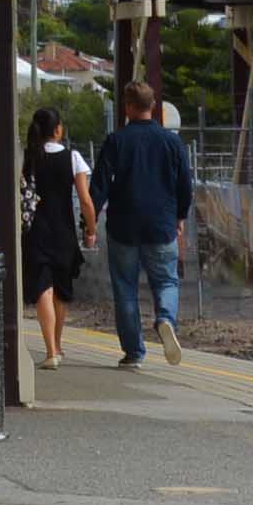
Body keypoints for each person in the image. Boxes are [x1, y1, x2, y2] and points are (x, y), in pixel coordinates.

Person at [88, 78, 195, 367]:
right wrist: (181, 216)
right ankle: (165, 318)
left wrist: (90, 221)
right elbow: (185, 185)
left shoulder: (116, 141)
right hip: (162, 225)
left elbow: (98, 186)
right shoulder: (172, 142)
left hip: (123, 226)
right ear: (153, 106)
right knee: (167, 281)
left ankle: (134, 352)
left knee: (125, 288)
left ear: (129, 107)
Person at [20, 106, 96, 367]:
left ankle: (51, 350)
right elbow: (85, 201)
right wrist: (91, 229)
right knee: (62, 292)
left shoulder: (29, 156)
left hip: (36, 230)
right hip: (64, 230)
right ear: (58, 129)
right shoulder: (73, 157)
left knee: (43, 287)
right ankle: (58, 345)